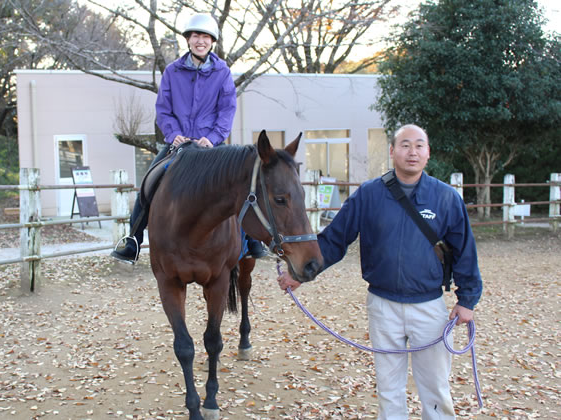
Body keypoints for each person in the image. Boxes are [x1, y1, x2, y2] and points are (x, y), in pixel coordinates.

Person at [277, 124, 483, 419]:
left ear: (428, 153)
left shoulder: (446, 198)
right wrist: (301, 274)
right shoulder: (369, 195)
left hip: (429, 306)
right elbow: (335, 239)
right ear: (392, 151)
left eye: (419, 145)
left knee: (435, 386)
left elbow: (465, 251)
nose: (412, 151)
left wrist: (467, 300)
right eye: (405, 145)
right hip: (382, 305)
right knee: (389, 386)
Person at [111, 13, 267, 263]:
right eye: (195, 36)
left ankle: (250, 241)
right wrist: (174, 135)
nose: (200, 41)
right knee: (149, 183)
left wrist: (213, 137)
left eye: (205, 36)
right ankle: (133, 240)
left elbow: (227, 110)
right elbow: (163, 108)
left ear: (212, 41)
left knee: (241, 184)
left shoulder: (223, 72)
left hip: (211, 145)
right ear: (188, 40)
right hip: (179, 145)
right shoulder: (172, 71)